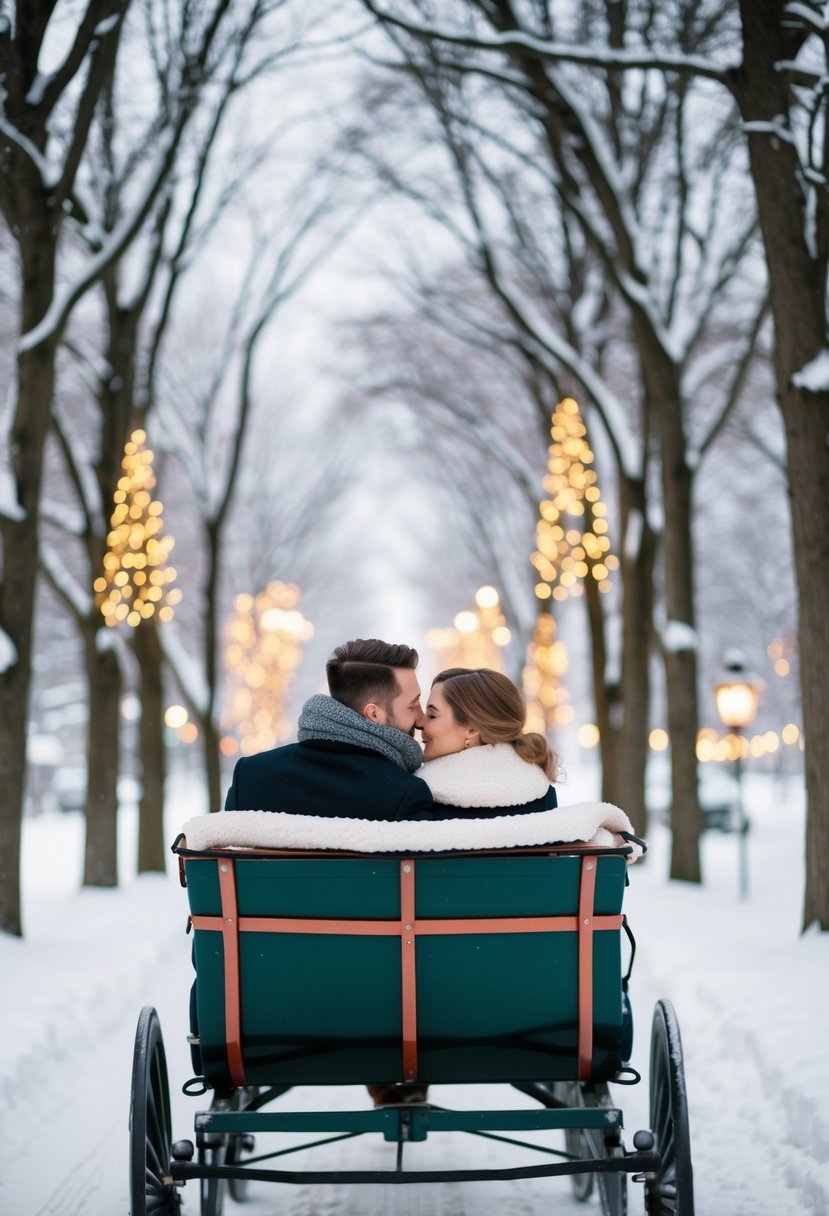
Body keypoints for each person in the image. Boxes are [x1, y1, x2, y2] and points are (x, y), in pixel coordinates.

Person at [224, 638, 435, 821]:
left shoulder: (250, 776)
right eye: (413, 705)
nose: (420, 718)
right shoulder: (405, 795)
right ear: (373, 714)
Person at [418, 667, 560, 815]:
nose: (420, 722)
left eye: (432, 715)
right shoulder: (542, 794)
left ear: (472, 729)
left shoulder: (420, 799)